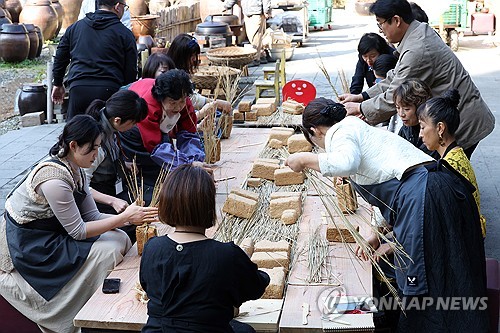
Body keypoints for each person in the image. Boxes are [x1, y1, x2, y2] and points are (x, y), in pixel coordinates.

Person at [285, 97, 488, 332]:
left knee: (420, 280)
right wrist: (376, 230)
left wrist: (303, 159)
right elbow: (386, 186)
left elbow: (346, 163)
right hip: (429, 192)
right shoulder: (354, 127)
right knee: (444, 270)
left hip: (423, 196)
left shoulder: (341, 131)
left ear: (314, 131)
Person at [0, 115, 158, 333]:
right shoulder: (54, 180)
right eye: (93, 149)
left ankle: (106, 300)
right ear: (73, 145)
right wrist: (125, 218)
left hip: (55, 232)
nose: (97, 154)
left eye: (98, 147)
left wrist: (130, 218)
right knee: (108, 250)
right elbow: (78, 231)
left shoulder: (76, 170)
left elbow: (92, 216)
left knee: (121, 237)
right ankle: (90, 312)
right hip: (33, 244)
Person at [339, 0, 495, 158]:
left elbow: (395, 96)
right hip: (452, 113)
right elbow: (395, 76)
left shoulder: (417, 49)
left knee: (441, 175)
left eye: (381, 24)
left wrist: (360, 108)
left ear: (397, 20)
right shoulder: (418, 32)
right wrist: (362, 97)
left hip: (463, 118)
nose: (381, 30)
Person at [139, 164, 270, 333]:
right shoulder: (227, 255)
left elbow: (148, 286)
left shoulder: (152, 248)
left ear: (166, 204)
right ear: (207, 206)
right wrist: (244, 263)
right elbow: (255, 288)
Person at [119, 69, 205, 204]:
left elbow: (189, 133)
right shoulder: (148, 106)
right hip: (131, 121)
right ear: (161, 98)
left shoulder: (183, 99)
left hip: (154, 117)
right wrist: (186, 165)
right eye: (173, 103)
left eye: (182, 101)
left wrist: (195, 161)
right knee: (153, 163)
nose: (178, 107)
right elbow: (156, 147)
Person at [51, 0, 138, 120]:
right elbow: (130, 70)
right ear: (117, 7)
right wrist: (123, 94)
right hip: (110, 89)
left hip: (78, 88)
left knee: (76, 132)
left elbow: (60, 56)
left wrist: (57, 83)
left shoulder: (75, 28)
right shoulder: (125, 34)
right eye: (125, 7)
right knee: (104, 133)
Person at [418, 89, 487, 237]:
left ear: (440, 128)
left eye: (423, 127)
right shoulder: (457, 155)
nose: (420, 134)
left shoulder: (448, 168)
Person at [84, 90, 148, 241]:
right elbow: (81, 185)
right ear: (117, 120)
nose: (134, 127)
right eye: (133, 123)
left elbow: (111, 153)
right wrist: (112, 201)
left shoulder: (108, 124)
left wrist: (123, 164)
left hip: (113, 185)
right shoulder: (95, 142)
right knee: (132, 223)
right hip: (96, 198)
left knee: (145, 203)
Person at [167, 33, 232, 115]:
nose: (194, 59)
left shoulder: (181, 73)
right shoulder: (172, 75)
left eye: (195, 55)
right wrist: (216, 103)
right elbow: (191, 99)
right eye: (191, 55)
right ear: (180, 56)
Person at [224, 0, 272, 66]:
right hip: (247, 12)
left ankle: (255, 59)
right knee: (252, 36)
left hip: (257, 12)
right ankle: (261, 55)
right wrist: (227, 5)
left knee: (255, 36)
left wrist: (266, 10)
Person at [392, 78, 432, 150]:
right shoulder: (404, 130)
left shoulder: (431, 133)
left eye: (406, 109)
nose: (401, 114)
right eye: (398, 108)